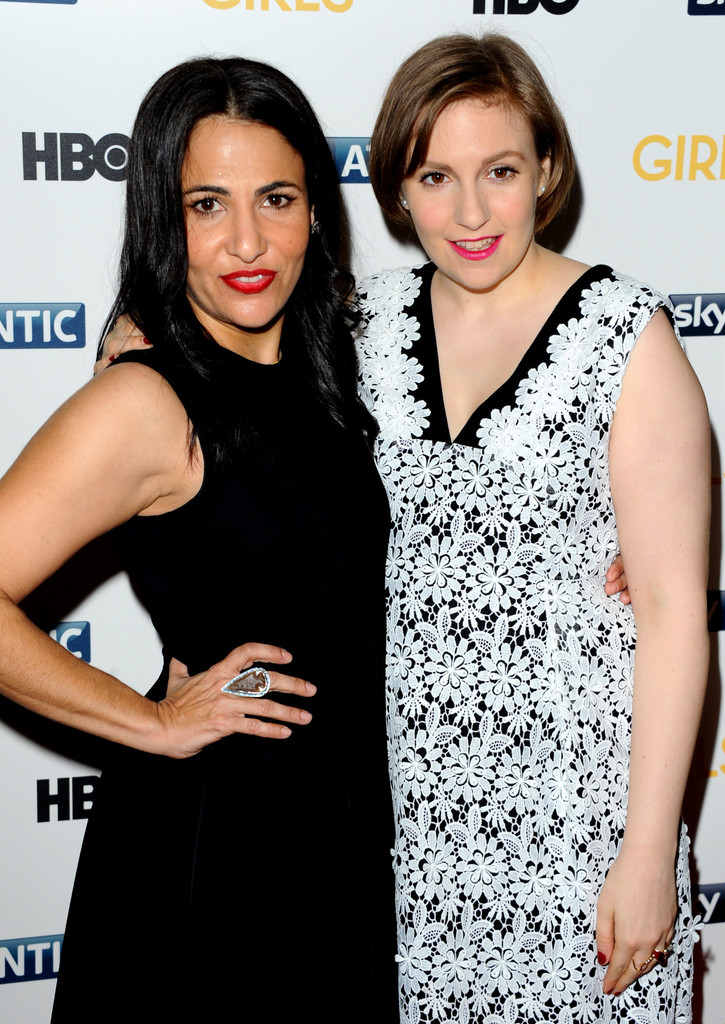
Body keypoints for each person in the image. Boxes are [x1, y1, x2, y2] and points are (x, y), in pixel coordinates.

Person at [0, 58, 398, 1022]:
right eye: (206, 205)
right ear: (160, 218)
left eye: (277, 199)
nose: (247, 241)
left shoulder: (335, 373)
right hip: (221, 843)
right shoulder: (146, 401)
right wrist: (154, 724)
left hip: (340, 825)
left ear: (316, 210)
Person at [357, 32, 710, 1024]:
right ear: (399, 188)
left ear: (546, 169)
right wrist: (132, 336)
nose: (470, 213)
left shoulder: (624, 335)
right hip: (414, 825)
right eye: (436, 176)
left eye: (500, 171)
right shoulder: (359, 328)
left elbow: (672, 612)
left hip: (578, 815)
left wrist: (648, 851)